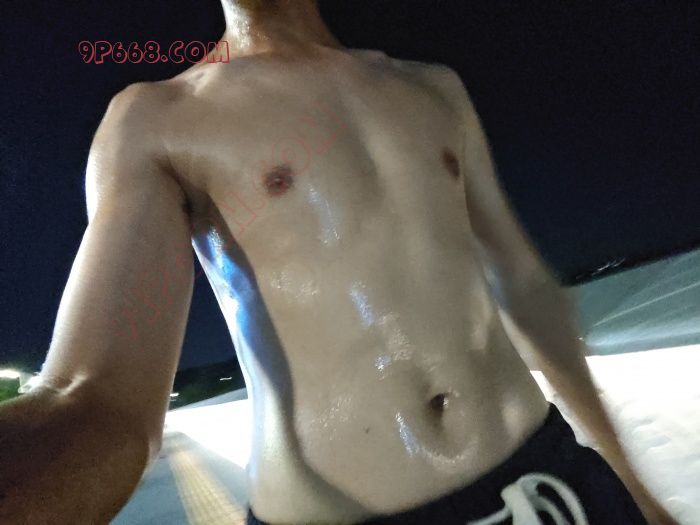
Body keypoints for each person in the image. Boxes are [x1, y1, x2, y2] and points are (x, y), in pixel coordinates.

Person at [0, 1, 677, 523]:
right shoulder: (155, 118)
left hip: (552, 479)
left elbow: (525, 287)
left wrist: (628, 478)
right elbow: (94, 397)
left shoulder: (433, 88)